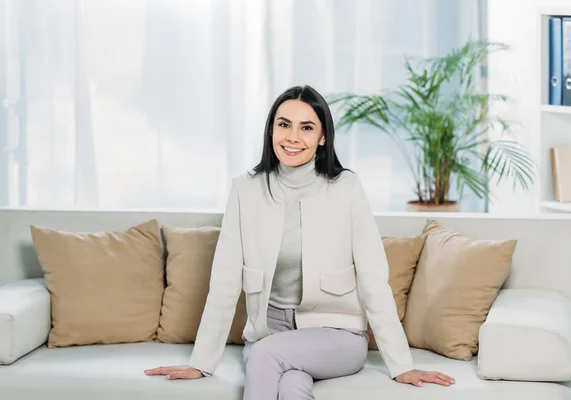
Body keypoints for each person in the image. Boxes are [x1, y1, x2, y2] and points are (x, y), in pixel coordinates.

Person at [144, 85, 455, 398]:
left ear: (322, 137)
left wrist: (402, 365)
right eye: (284, 125)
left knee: (266, 355)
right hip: (270, 330)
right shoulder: (246, 190)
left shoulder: (346, 188)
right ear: (271, 131)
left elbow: (374, 280)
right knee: (291, 385)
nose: (292, 137)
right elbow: (224, 282)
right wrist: (201, 363)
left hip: (337, 332)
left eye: (306, 128)